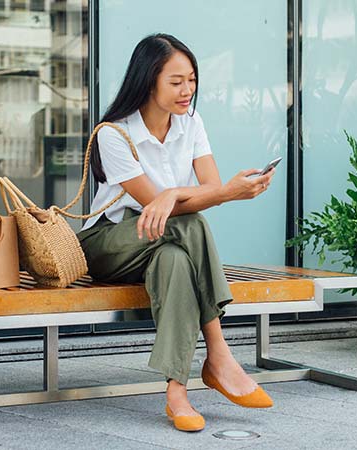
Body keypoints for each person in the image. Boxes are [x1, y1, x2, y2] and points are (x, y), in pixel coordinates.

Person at [76, 33, 276, 432]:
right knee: (189, 222)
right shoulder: (113, 134)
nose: (188, 90)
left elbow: (211, 188)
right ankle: (219, 354)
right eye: (176, 81)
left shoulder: (191, 122)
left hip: (161, 244)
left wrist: (177, 193)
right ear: (149, 81)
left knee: (176, 261)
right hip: (108, 244)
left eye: (192, 80)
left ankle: (176, 394)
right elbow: (163, 208)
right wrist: (185, 196)